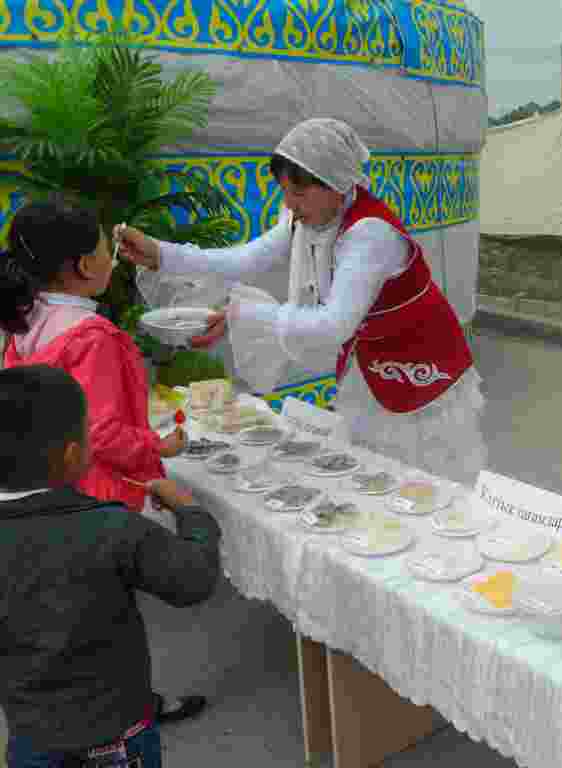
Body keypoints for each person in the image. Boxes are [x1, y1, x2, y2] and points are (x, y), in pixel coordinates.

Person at [117, 118, 487, 483]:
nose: (288, 203)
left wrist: (243, 313)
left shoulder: (370, 235)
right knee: (377, 474)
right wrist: (161, 255)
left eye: (298, 192)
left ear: (337, 183)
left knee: (428, 476)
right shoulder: (307, 216)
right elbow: (247, 259)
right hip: (370, 362)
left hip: (425, 366)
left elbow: (334, 324)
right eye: (284, 191)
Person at [0, 199, 208, 725]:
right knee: (108, 617)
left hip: (34, 490)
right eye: (101, 245)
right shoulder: (94, 338)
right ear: (82, 266)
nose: (109, 254)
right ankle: (131, 710)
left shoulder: (23, 322)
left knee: (56, 617)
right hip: (92, 494)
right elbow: (101, 432)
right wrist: (157, 449)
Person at [0, 365, 222, 768]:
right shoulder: (112, 526)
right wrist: (191, 512)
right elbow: (194, 579)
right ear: (72, 454)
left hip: (30, 735)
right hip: (117, 738)